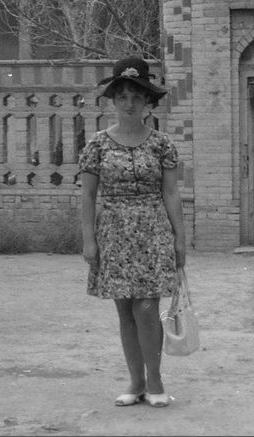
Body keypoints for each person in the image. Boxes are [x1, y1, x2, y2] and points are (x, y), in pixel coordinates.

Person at [78, 55, 185, 409]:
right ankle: (136, 381)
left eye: (136, 96)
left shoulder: (162, 145)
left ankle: (155, 379)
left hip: (153, 233)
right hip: (113, 234)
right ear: (113, 100)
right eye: (122, 96)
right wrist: (89, 241)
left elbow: (171, 193)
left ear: (147, 101)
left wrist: (180, 239)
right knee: (125, 310)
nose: (129, 103)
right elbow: (88, 196)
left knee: (147, 308)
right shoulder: (97, 145)